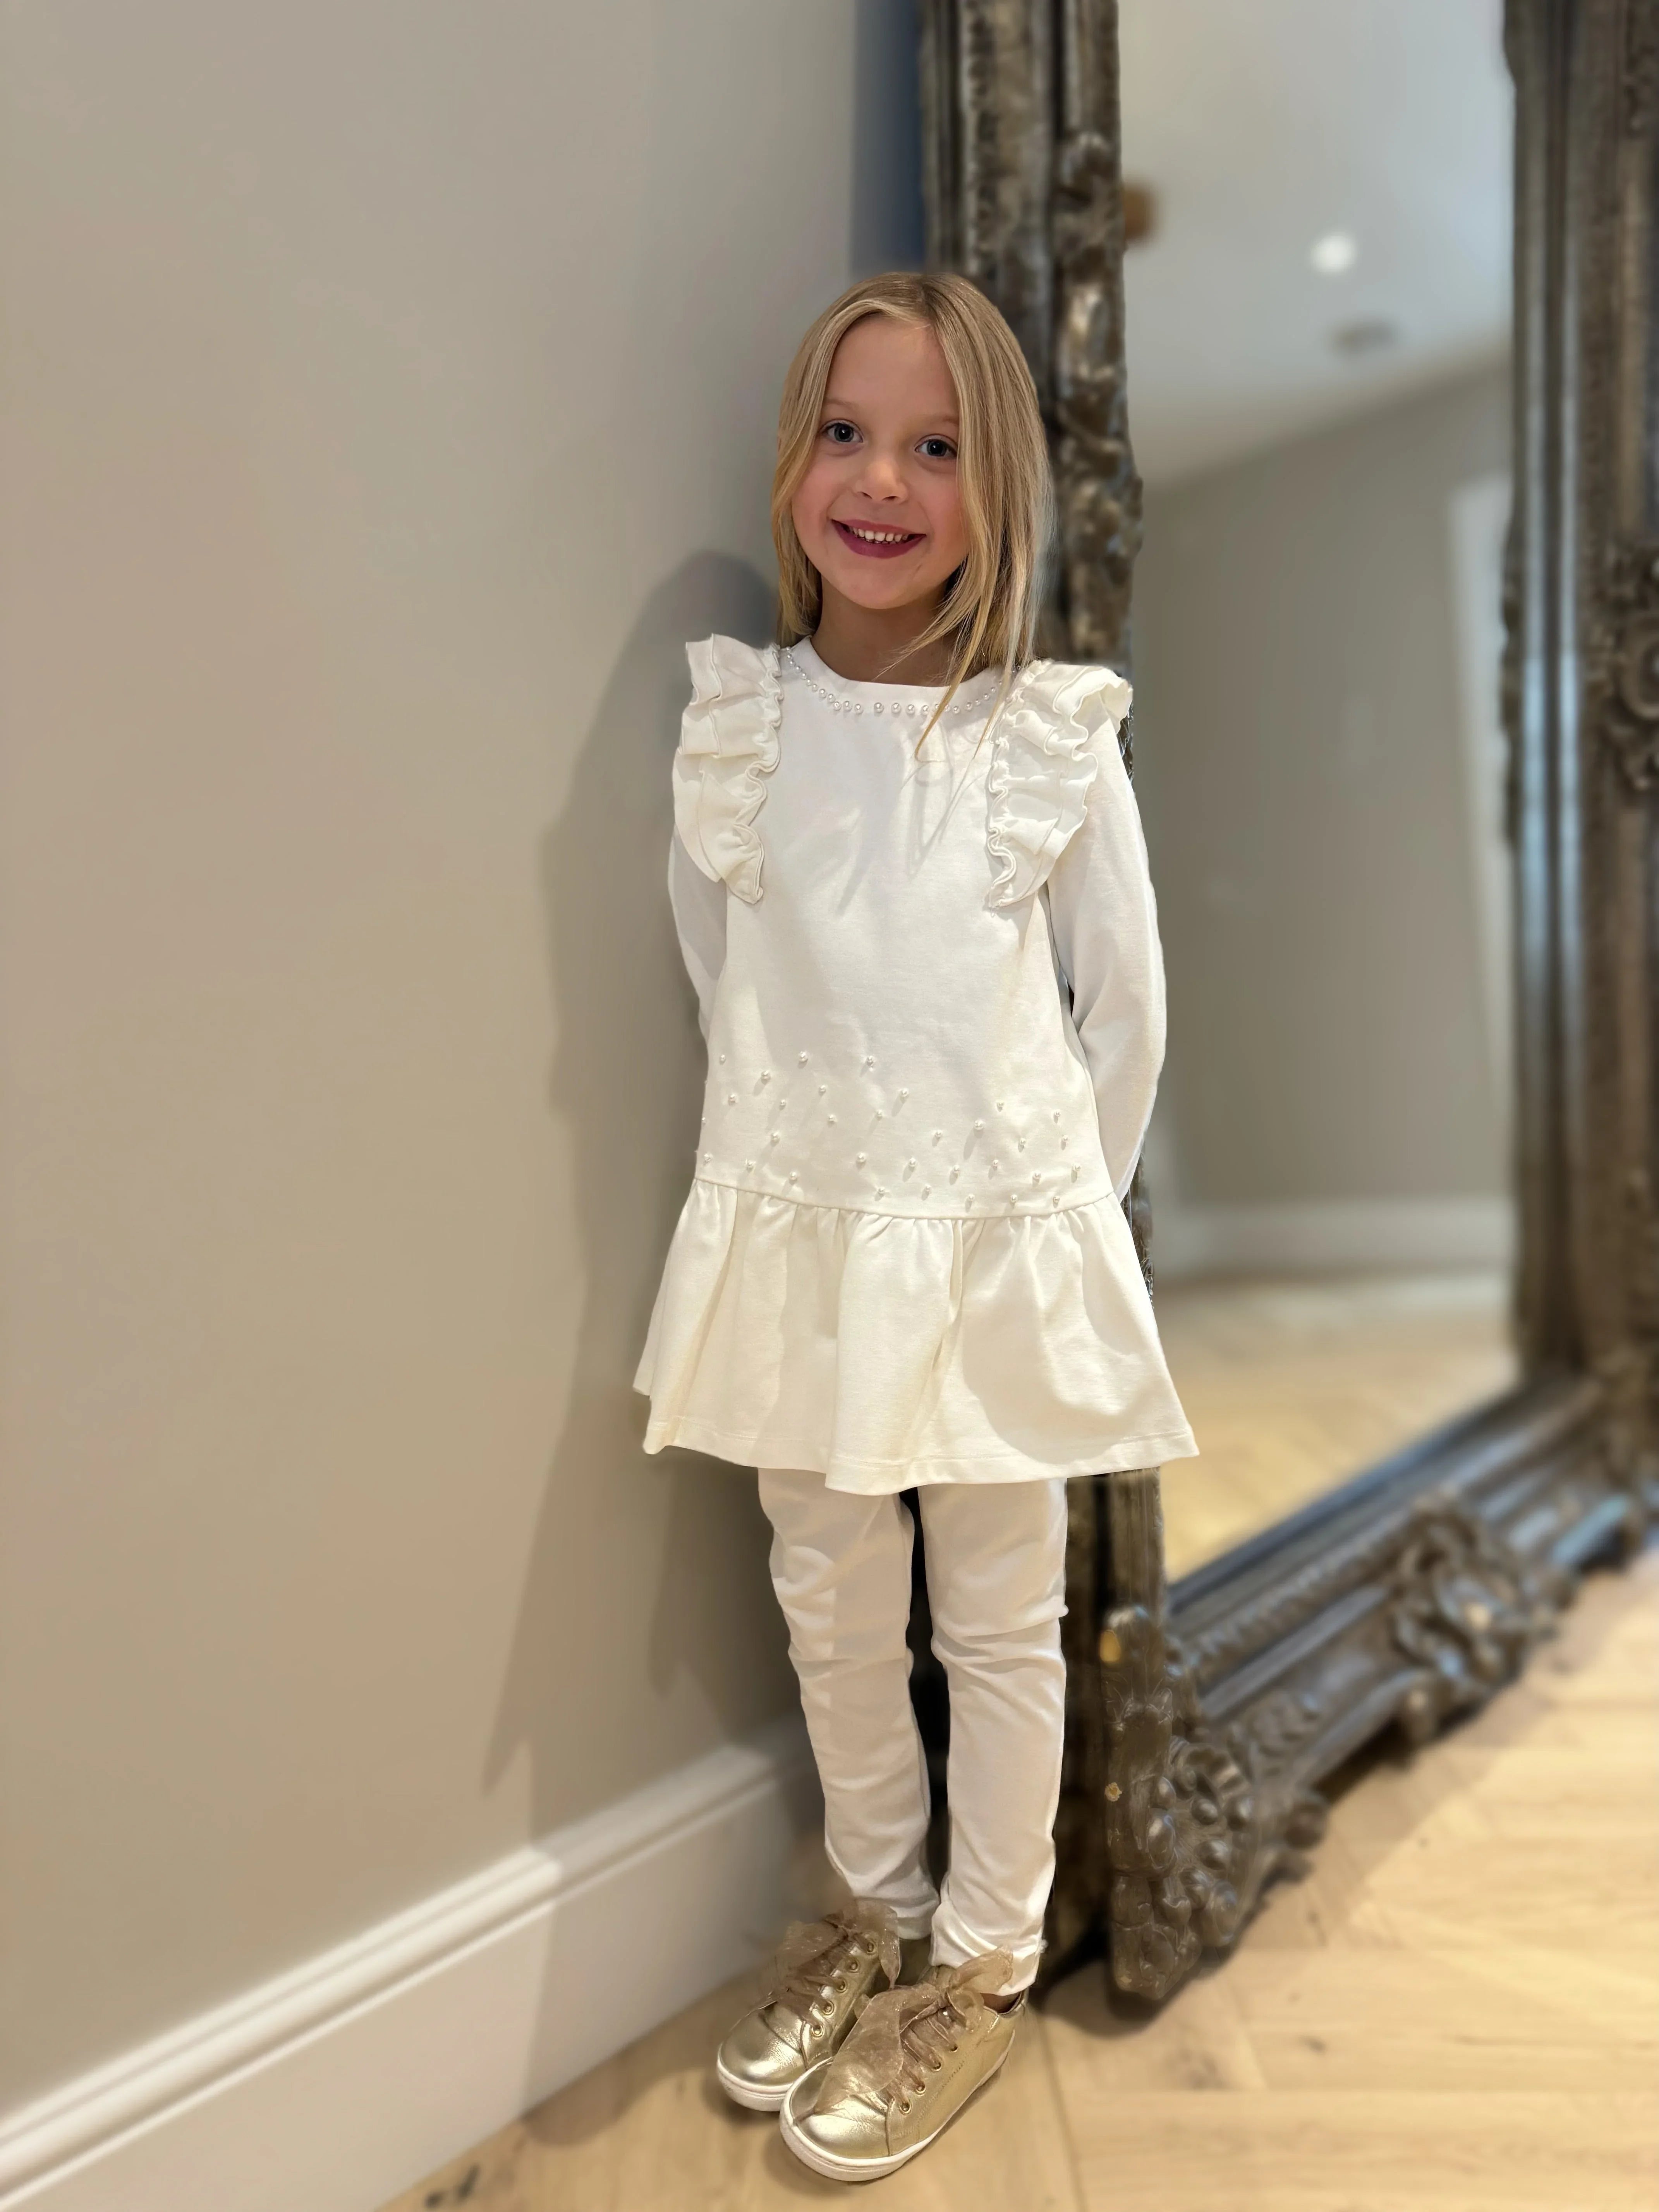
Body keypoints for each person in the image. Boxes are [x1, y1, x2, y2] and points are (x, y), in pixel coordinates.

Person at [634, 270, 1195, 2181]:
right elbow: (723, 974)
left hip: (991, 1243)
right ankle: (870, 1905)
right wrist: (812, 1167)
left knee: (1002, 1611)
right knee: (827, 1586)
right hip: (803, 1224)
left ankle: (981, 1959)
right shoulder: (742, 730)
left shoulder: (1046, 740)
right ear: (796, 458)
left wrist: (1035, 1217)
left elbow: (1125, 1016)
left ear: (999, 484)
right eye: (849, 434)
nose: (883, 481)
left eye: (937, 446)